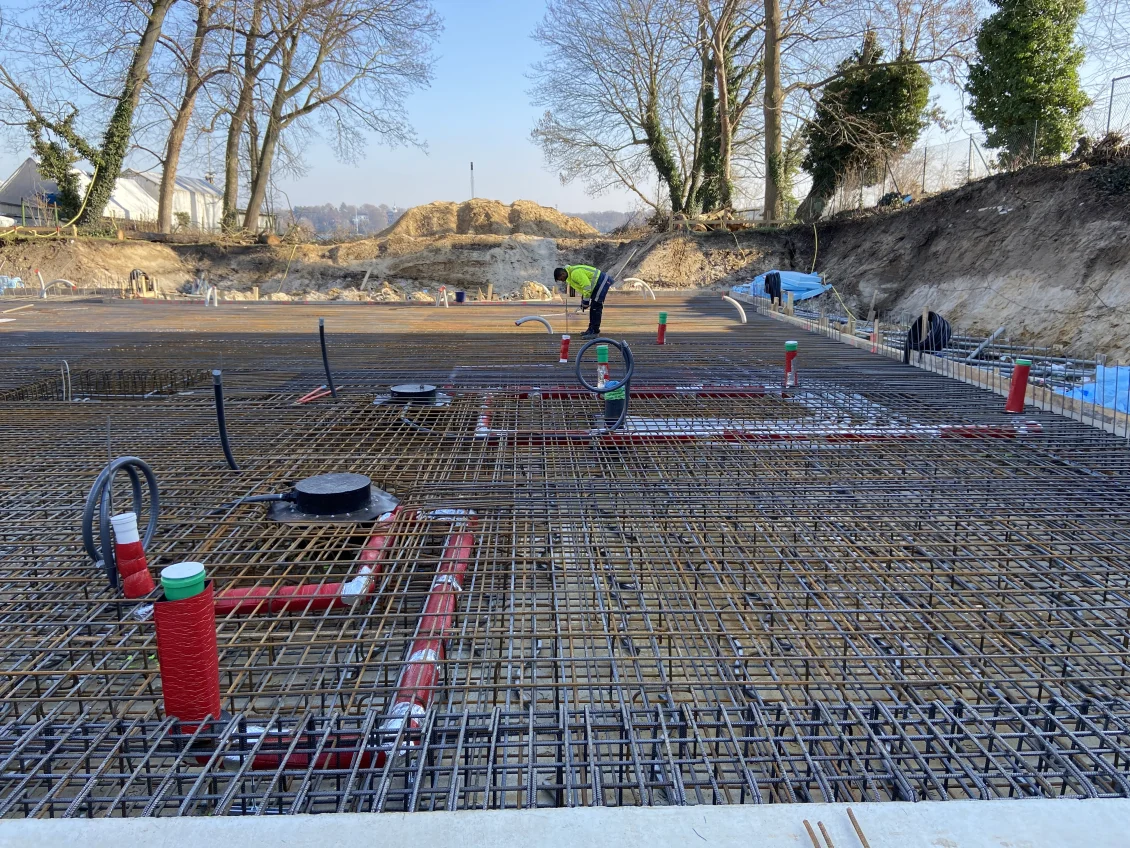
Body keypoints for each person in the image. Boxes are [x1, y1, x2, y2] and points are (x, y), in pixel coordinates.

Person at [553, 265, 615, 338]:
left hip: (601, 282)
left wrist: (585, 302)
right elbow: (583, 288)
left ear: (563, 274)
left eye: (561, 279)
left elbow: (586, 287)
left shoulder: (575, 273)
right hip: (597, 284)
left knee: (596, 307)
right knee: (593, 308)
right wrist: (583, 299)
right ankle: (591, 329)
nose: (562, 281)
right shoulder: (570, 276)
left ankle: (594, 332)